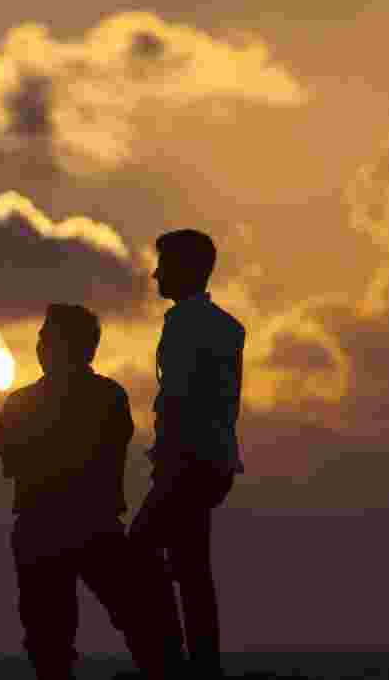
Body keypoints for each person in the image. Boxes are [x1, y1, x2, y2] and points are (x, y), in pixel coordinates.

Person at [0, 304, 184, 680]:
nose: (39, 346)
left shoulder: (23, 403)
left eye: (45, 338)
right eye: (41, 338)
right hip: (85, 524)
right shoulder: (109, 396)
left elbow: (12, 463)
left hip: (56, 525)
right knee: (137, 625)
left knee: (52, 641)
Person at [128, 229, 246, 679]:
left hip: (189, 463)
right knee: (191, 567)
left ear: (185, 268)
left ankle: (170, 658)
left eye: (164, 264)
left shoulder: (184, 326)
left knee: (140, 549)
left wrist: (169, 463)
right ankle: (199, 664)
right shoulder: (226, 326)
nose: (156, 273)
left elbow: (179, 402)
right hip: (211, 461)